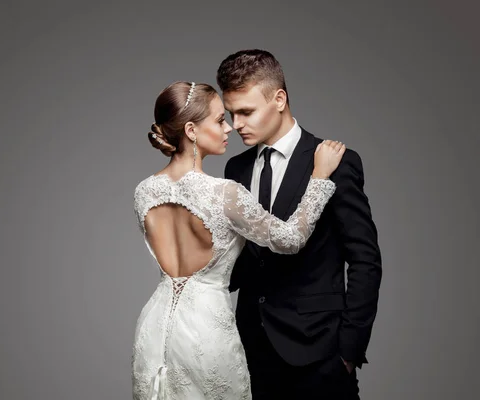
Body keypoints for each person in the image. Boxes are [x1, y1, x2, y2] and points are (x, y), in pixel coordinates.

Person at [131, 80, 345, 399]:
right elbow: (290, 239)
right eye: (219, 120)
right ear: (190, 130)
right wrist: (319, 179)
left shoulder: (143, 191)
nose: (230, 127)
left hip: (155, 325)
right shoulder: (224, 194)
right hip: (206, 328)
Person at [218, 49, 382, 399]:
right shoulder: (236, 169)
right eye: (231, 113)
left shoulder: (335, 160)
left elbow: (366, 259)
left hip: (320, 350)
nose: (236, 124)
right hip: (252, 347)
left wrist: (349, 350)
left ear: (279, 99)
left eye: (246, 111)